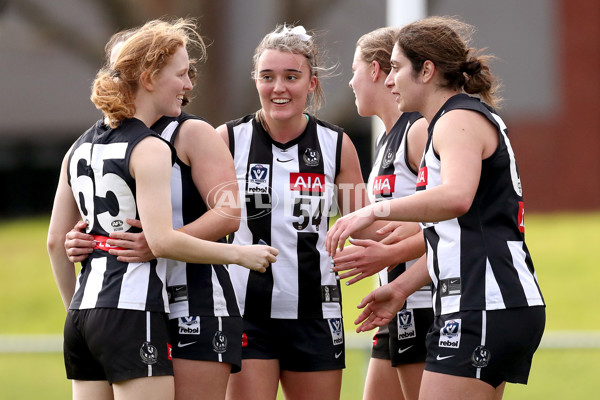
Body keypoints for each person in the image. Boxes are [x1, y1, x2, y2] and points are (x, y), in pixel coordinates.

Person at [47, 18, 278, 400]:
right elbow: (60, 238)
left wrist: (158, 243)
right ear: (148, 76)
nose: (189, 85)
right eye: (182, 74)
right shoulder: (128, 142)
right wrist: (88, 239)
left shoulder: (193, 132)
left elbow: (229, 213)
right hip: (136, 305)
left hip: (196, 302)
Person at [326, 16, 545, 399]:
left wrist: (373, 210)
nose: (389, 79)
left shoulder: (457, 119)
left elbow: (457, 197)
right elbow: (451, 231)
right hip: (479, 303)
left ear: (426, 70)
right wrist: (400, 289)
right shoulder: (447, 122)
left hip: (486, 302)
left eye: (395, 68)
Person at [216, 24, 367, 400]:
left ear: (311, 83)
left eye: (291, 77)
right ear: (256, 81)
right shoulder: (227, 139)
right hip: (244, 309)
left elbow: (366, 228)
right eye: (267, 77)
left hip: (315, 312)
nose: (278, 87)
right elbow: (182, 217)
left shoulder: (336, 144)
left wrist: (431, 232)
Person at [331, 27, 432, 400]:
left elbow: (449, 217)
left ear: (375, 70)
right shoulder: (386, 137)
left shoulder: (419, 131)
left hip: (423, 300)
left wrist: (389, 250)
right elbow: (387, 225)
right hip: (394, 302)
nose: (351, 81)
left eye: (354, 69)